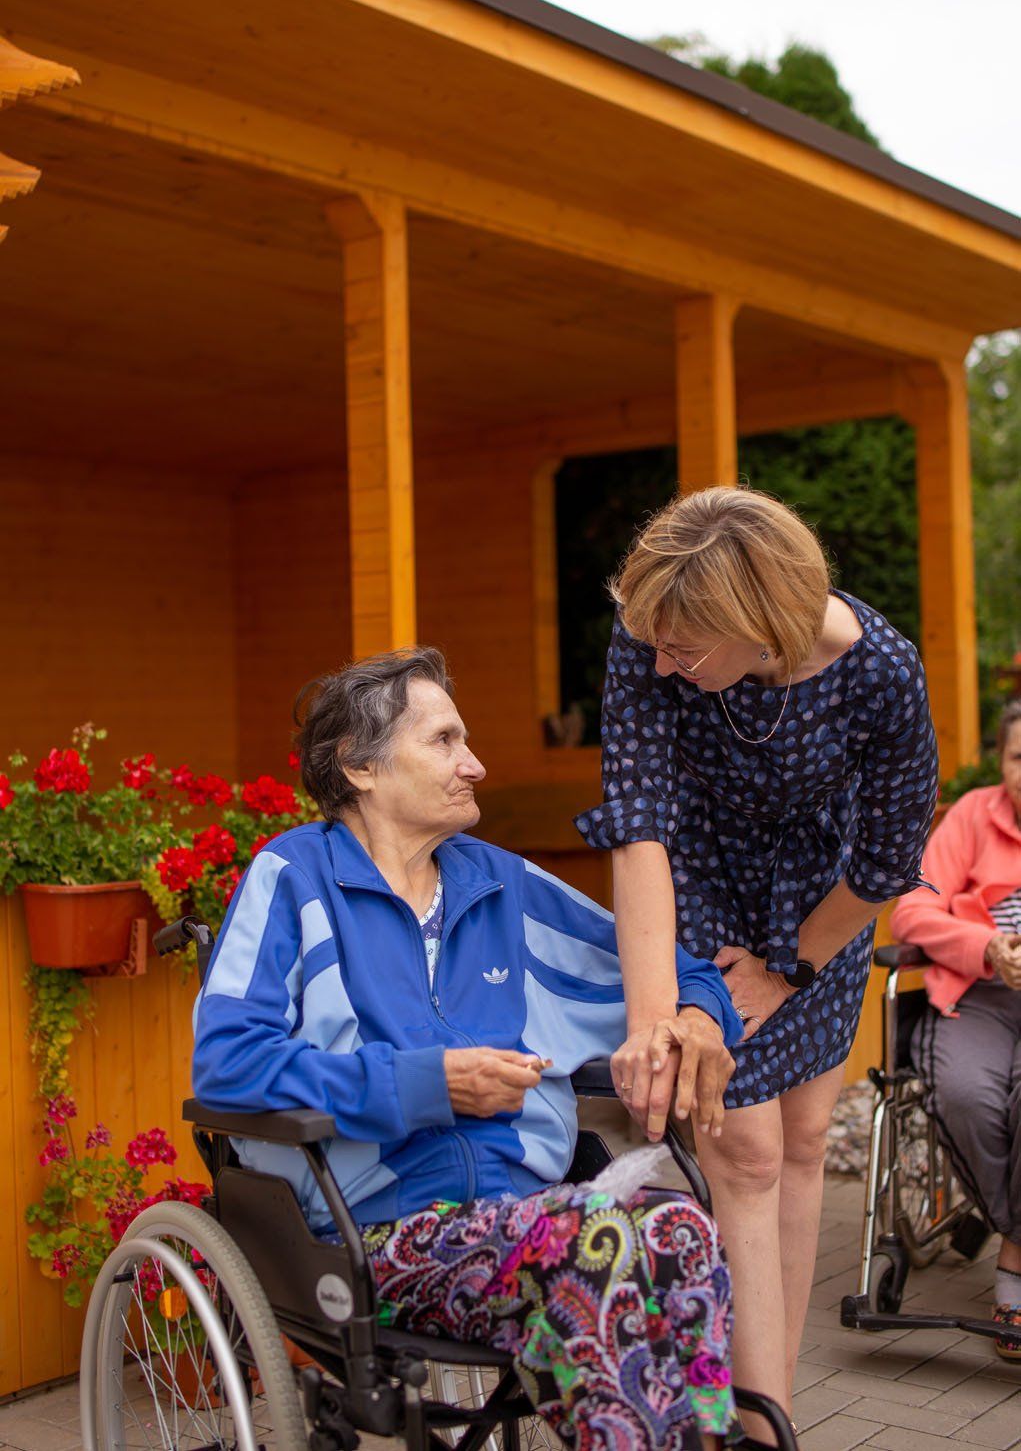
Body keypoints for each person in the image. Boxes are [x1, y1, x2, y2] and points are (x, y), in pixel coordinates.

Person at [193, 647, 744, 1449]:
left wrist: (695, 1020)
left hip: (517, 1218)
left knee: (680, 1229)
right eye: (445, 741)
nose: (475, 765)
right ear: (361, 767)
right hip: (370, 1233)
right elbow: (228, 1064)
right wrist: (428, 1085)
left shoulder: (500, 884)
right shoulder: (293, 878)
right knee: (600, 1243)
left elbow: (675, 969)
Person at [574, 485, 939, 1429]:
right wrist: (657, 1022)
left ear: (762, 623)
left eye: (683, 651)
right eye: (649, 639)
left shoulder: (881, 672)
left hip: (824, 899)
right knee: (744, 1148)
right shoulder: (650, 633)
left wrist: (791, 966)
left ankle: (767, 1410)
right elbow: (640, 825)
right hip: (693, 872)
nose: (658, 661)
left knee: (807, 1142)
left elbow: (889, 859)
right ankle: (758, 1425)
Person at [891, 698, 1021, 1359]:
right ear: (1000, 762)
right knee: (968, 1096)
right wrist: (986, 947)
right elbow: (910, 913)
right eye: (1018, 756)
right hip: (975, 995)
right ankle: (1015, 1231)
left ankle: (1012, 1267)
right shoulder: (972, 817)